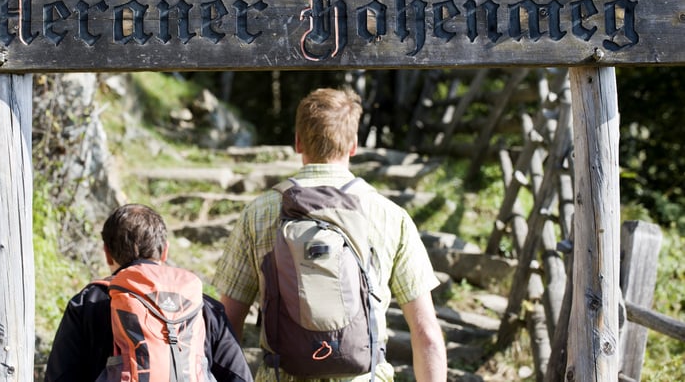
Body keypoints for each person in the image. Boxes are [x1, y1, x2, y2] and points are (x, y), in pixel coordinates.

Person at [214, 87, 447, 382]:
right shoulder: (389, 216)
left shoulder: (259, 213)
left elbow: (226, 325)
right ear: (353, 145)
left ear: (298, 142)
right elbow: (426, 333)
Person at [44, 203, 254, 382]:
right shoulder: (202, 304)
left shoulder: (88, 303)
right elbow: (239, 376)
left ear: (107, 254)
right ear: (164, 251)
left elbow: (61, 376)